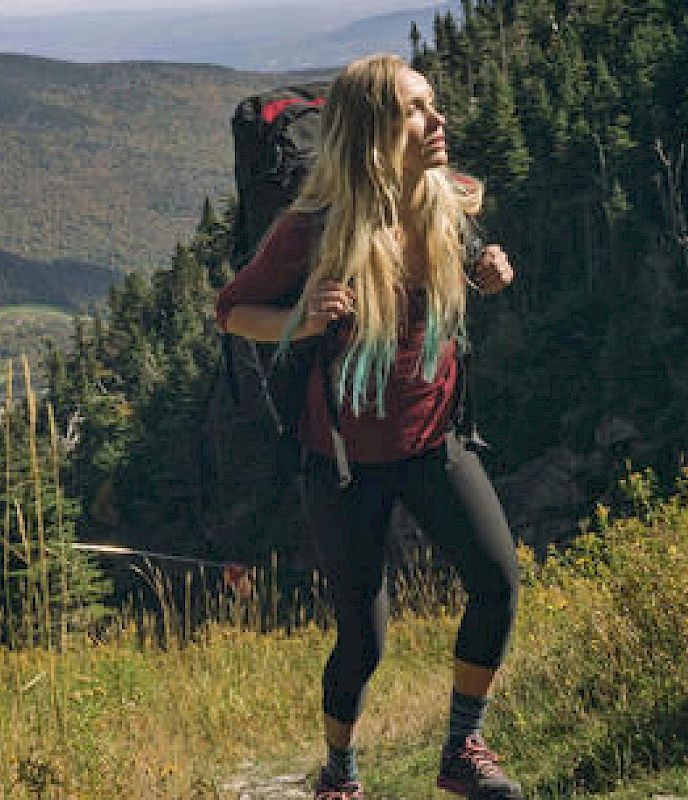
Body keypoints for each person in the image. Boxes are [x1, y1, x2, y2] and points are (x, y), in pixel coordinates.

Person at [215, 53, 522, 800]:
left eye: (433, 104)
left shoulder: (445, 200)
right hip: (346, 460)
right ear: (371, 132)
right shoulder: (312, 231)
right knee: (364, 639)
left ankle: (461, 751)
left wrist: (490, 267)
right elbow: (231, 311)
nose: (438, 120)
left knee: (496, 583)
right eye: (416, 109)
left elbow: (474, 250)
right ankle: (341, 773)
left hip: (434, 439)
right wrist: (300, 317)